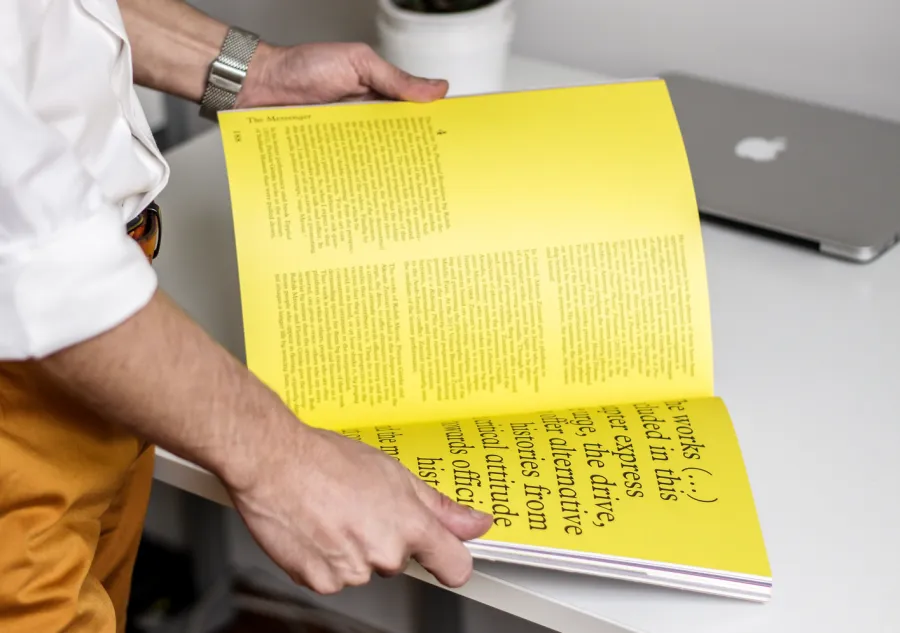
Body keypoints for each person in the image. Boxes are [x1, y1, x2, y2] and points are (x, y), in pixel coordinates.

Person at [0, 1, 493, 631]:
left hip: (121, 338)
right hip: (42, 353)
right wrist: (283, 461)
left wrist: (257, 73)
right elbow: (35, 255)